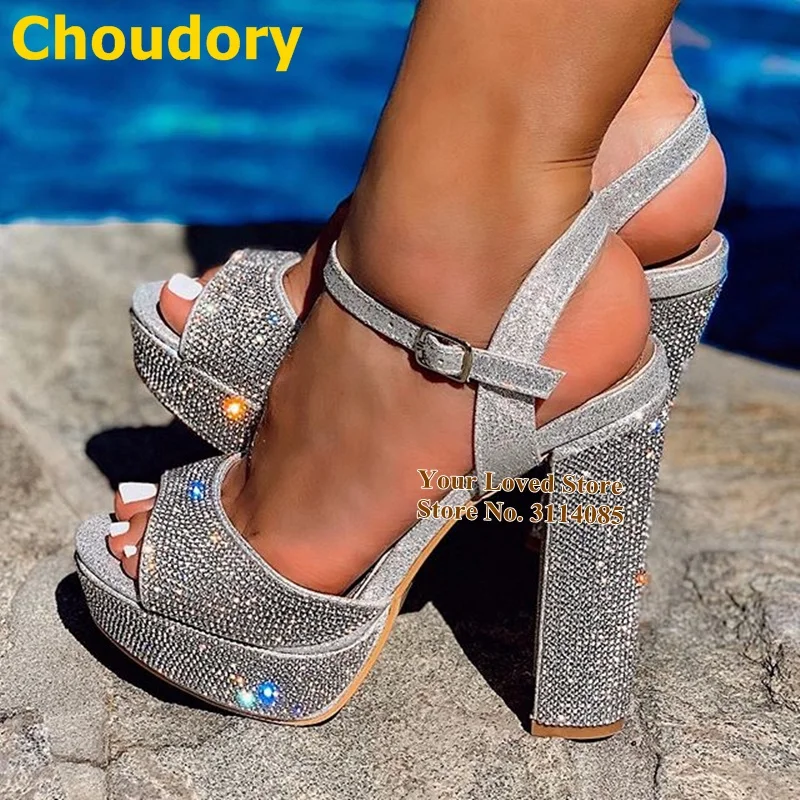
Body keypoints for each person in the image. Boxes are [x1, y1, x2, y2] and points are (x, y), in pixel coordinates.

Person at [76, 0, 726, 737]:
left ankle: (468, 271)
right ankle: (614, 129)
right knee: (566, 122)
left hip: (481, 301)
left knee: (493, 186)